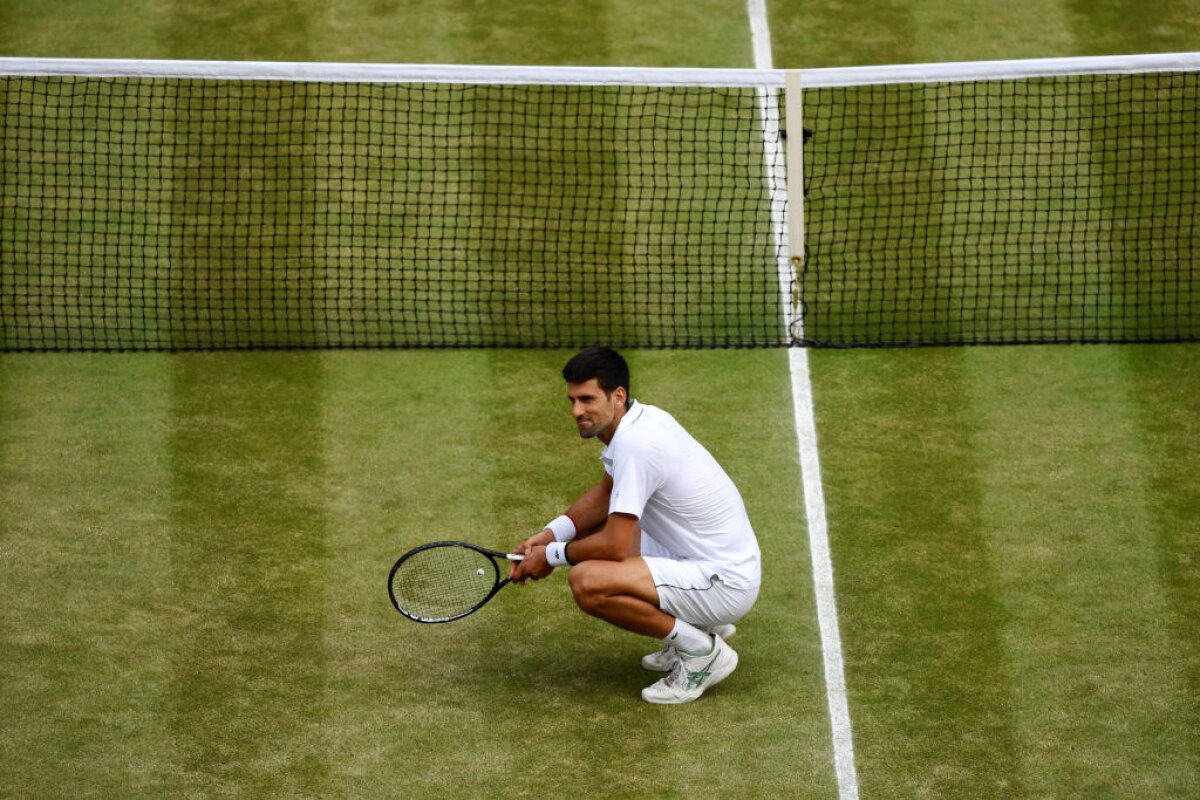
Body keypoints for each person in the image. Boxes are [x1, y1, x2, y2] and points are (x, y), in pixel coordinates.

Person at [510, 346, 761, 704]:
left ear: (618, 396)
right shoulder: (642, 420)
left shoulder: (635, 445)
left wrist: (550, 556)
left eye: (586, 399)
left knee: (588, 581)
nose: (576, 411)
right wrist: (552, 534)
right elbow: (605, 492)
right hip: (714, 560)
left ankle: (702, 651)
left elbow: (612, 545)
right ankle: (700, 625)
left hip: (725, 583)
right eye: (572, 400)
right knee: (609, 544)